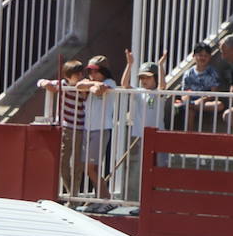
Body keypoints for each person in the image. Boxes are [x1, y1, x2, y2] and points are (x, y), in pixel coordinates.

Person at [119, 48, 167, 207]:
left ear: (154, 78)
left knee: (158, 168)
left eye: (147, 77)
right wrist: (129, 64)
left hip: (158, 137)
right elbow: (124, 85)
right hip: (141, 136)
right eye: (141, 78)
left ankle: (158, 202)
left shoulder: (158, 93)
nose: (144, 81)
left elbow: (163, 85)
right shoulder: (139, 92)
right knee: (142, 171)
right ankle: (142, 202)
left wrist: (160, 66)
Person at [38, 59, 87, 198]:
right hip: (66, 127)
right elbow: (41, 81)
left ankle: (74, 194)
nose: (80, 76)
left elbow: (87, 94)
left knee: (77, 163)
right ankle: (72, 192)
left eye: (81, 73)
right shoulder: (63, 84)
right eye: (76, 74)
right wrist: (45, 83)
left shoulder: (83, 86)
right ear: (67, 76)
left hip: (80, 128)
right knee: (63, 162)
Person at [75, 55, 117, 212]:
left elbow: (99, 91)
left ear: (103, 71)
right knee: (93, 168)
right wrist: (91, 84)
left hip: (101, 128)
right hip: (89, 128)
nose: (91, 74)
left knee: (90, 167)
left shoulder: (110, 83)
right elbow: (80, 85)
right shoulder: (94, 82)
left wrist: (91, 85)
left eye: (94, 71)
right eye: (89, 71)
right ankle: (101, 199)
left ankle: (107, 199)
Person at [175, 41, 231, 132]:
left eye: (206, 55)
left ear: (210, 57)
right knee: (189, 110)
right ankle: (189, 137)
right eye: (200, 55)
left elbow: (213, 93)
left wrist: (200, 100)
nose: (203, 58)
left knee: (219, 105)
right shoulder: (188, 74)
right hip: (191, 102)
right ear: (194, 56)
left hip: (205, 103)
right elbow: (184, 93)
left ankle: (192, 106)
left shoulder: (213, 72)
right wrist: (188, 100)